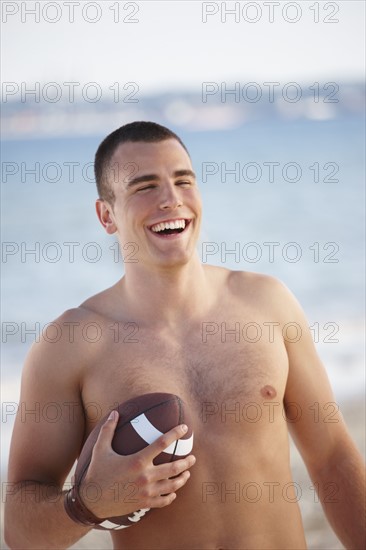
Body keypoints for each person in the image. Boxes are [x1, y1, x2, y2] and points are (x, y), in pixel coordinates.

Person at [4, 121, 365, 549]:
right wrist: (88, 503)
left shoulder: (267, 303)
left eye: (183, 180)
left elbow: (333, 460)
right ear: (106, 216)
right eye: (145, 186)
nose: (171, 199)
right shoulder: (71, 344)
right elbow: (18, 528)